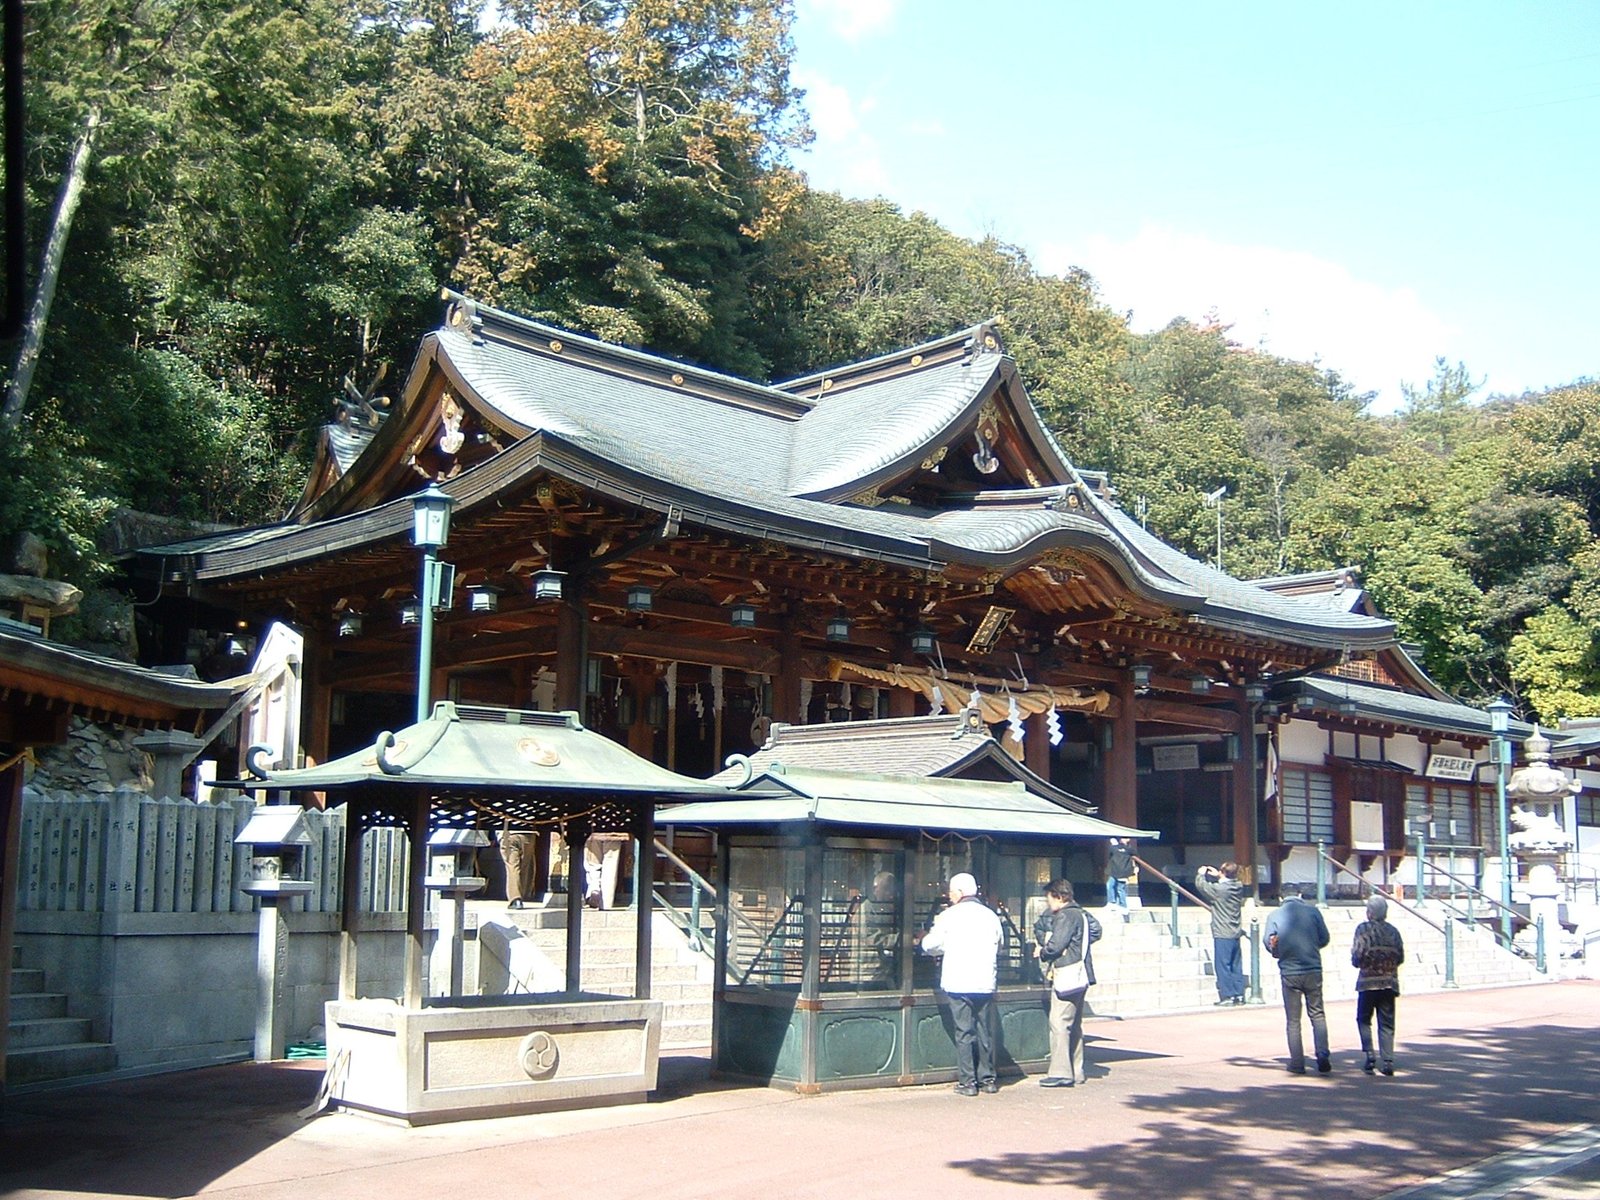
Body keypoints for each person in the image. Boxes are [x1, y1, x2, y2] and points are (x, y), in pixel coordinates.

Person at [919, 871, 1004, 1096]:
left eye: (951, 892)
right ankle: (988, 1080)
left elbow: (932, 945)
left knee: (964, 1032)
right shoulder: (990, 916)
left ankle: (968, 1082)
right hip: (985, 981)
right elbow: (1000, 945)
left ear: (959, 892)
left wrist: (923, 939)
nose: (949, 896)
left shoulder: (949, 916)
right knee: (985, 1031)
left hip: (959, 981)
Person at [1036, 878, 1102, 1087]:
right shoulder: (1081, 914)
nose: (1048, 903)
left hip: (1067, 972)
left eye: (1049, 898)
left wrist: (1043, 952)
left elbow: (1056, 945)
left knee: (1059, 1022)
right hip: (1081, 973)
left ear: (1059, 896)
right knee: (1074, 1024)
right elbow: (1095, 932)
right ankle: (1076, 1069)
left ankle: (1060, 1072)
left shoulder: (1065, 915)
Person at [1263, 884, 1332, 1074]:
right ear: (1300, 895)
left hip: (1289, 971)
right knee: (1317, 1014)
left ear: (1281, 897)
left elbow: (1268, 944)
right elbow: (1324, 938)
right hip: (1312, 968)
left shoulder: (1274, 915)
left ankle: (1297, 1062)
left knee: (1293, 1020)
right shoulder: (1314, 912)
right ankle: (1323, 1054)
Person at [1351, 894, 1405, 1076]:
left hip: (1367, 983)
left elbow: (1357, 956)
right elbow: (1400, 956)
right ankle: (1388, 1060)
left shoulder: (1363, 929)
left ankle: (1369, 1055)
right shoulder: (1394, 931)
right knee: (1387, 1023)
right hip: (1389, 983)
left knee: (1364, 1019)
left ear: (1370, 912)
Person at [1194, 861, 1247, 1005]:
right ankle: (1239, 994)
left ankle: (1227, 995)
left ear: (1223, 872)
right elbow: (1226, 881)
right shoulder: (1238, 886)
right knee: (1236, 965)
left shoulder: (1220, 890)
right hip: (1235, 930)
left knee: (1223, 965)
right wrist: (1219, 875)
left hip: (1223, 931)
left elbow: (1202, 887)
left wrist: (1201, 874)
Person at [500, 824, 537, 910]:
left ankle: (516, 899)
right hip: (529, 834)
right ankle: (522, 895)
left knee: (513, 867)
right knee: (524, 867)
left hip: (509, 833)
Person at [1106, 838, 1136, 915]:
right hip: (1119, 871)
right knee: (1112, 886)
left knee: (1118, 888)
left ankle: (1122, 905)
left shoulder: (1116, 848)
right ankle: (1113, 903)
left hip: (1119, 871)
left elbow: (1109, 855)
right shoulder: (1129, 849)